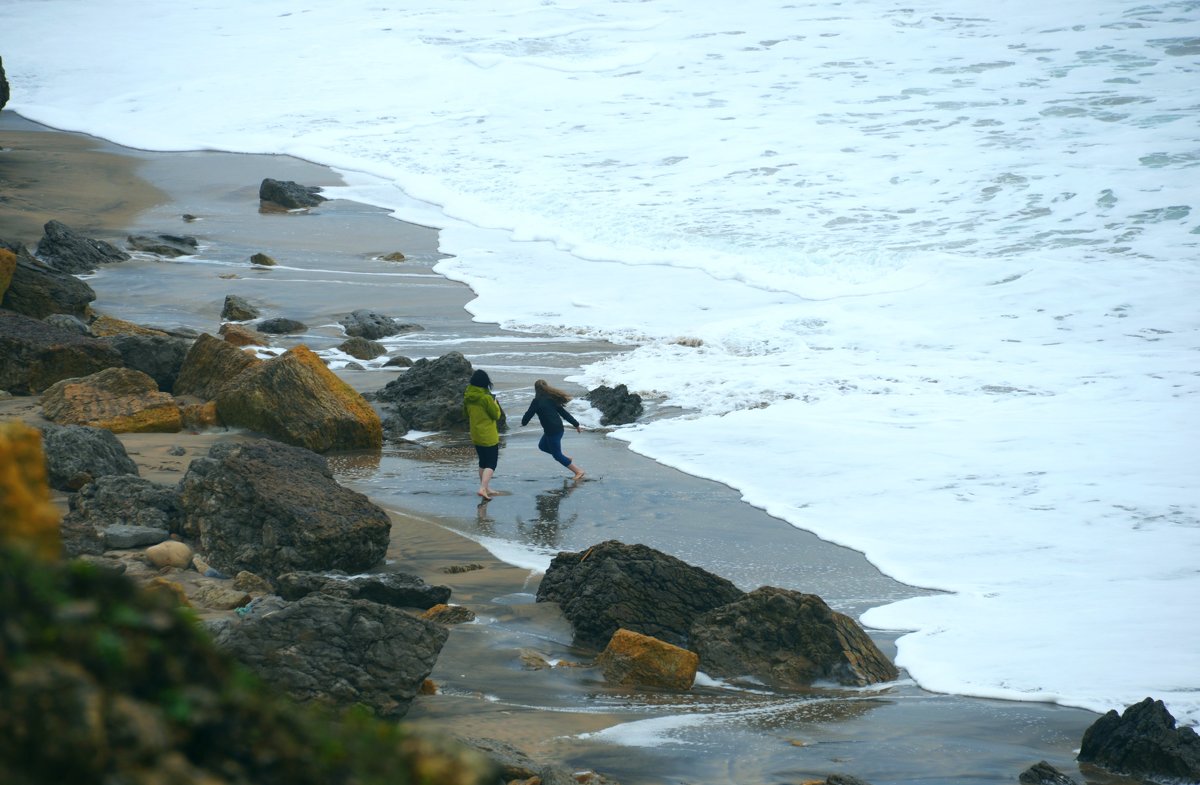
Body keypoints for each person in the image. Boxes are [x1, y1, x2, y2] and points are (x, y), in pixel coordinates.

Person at [521, 379, 585, 481]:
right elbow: (564, 414)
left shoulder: (536, 401)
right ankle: (565, 458)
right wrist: (576, 424)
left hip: (552, 431)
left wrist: (523, 422)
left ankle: (578, 471)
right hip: (557, 428)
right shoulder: (551, 399)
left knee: (557, 456)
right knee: (542, 446)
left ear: (536, 389)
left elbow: (528, 416)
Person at [463, 369, 503, 499]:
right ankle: (482, 488)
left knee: (483, 462)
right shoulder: (486, 398)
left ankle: (485, 487)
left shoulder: (467, 396)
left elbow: (465, 414)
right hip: (488, 434)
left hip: (475, 433)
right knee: (491, 463)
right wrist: (495, 404)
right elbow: (496, 415)